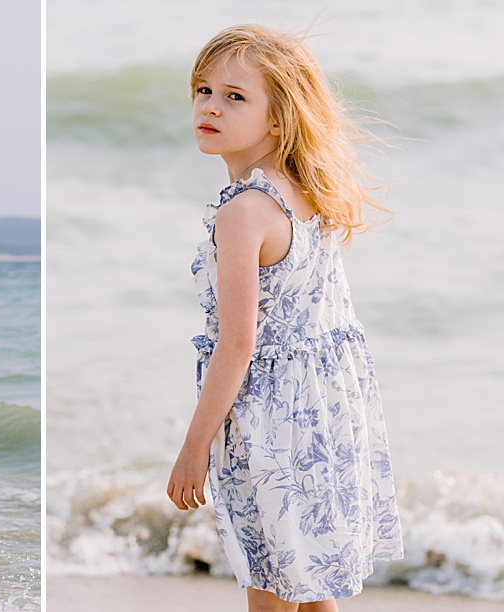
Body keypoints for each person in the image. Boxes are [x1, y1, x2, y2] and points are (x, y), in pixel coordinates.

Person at [165, 24, 403, 611]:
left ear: (278, 119)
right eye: (203, 90)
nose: (210, 106)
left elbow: (237, 343)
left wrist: (194, 448)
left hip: (270, 421)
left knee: (269, 589)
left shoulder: (244, 211)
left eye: (235, 96)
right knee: (316, 585)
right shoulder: (309, 191)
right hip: (330, 408)